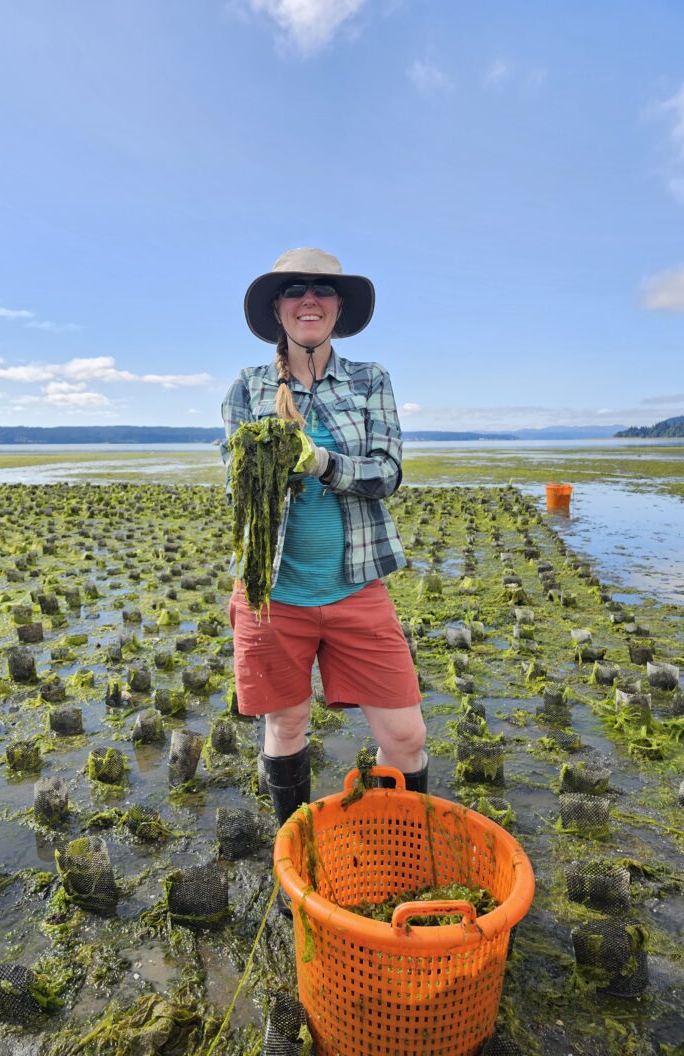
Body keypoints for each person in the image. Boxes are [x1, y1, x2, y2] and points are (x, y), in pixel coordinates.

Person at [221, 248, 427, 865]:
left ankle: (401, 856)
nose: (309, 300)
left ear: (339, 308)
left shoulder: (371, 380)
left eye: (322, 290)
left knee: (406, 734)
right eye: (295, 290)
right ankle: (299, 859)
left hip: (357, 585)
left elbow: (388, 473)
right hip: (271, 589)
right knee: (285, 727)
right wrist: (269, 460)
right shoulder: (247, 388)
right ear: (277, 309)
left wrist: (321, 462)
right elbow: (237, 483)